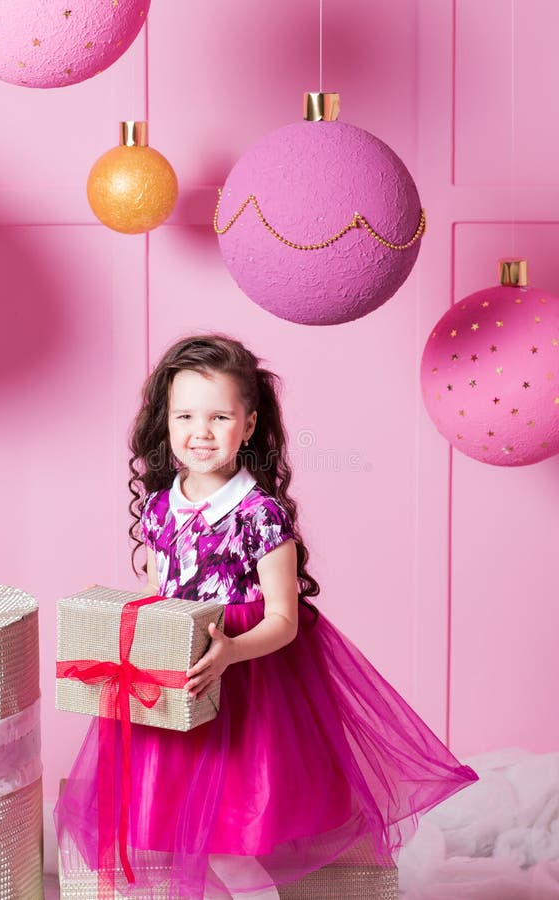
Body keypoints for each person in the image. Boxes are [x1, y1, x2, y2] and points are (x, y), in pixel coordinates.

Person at [55, 333, 478, 900]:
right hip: (179, 676)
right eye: (184, 415)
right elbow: (160, 588)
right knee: (173, 805)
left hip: (249, 683)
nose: (199, 432)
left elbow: (284, 618)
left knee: (233, 814)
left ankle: (255, 889)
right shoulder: (161, 505)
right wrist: (121, 615)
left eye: (219, 417)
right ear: (165, 420)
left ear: (249, 425)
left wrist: (230, 651)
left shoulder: (259, 515)